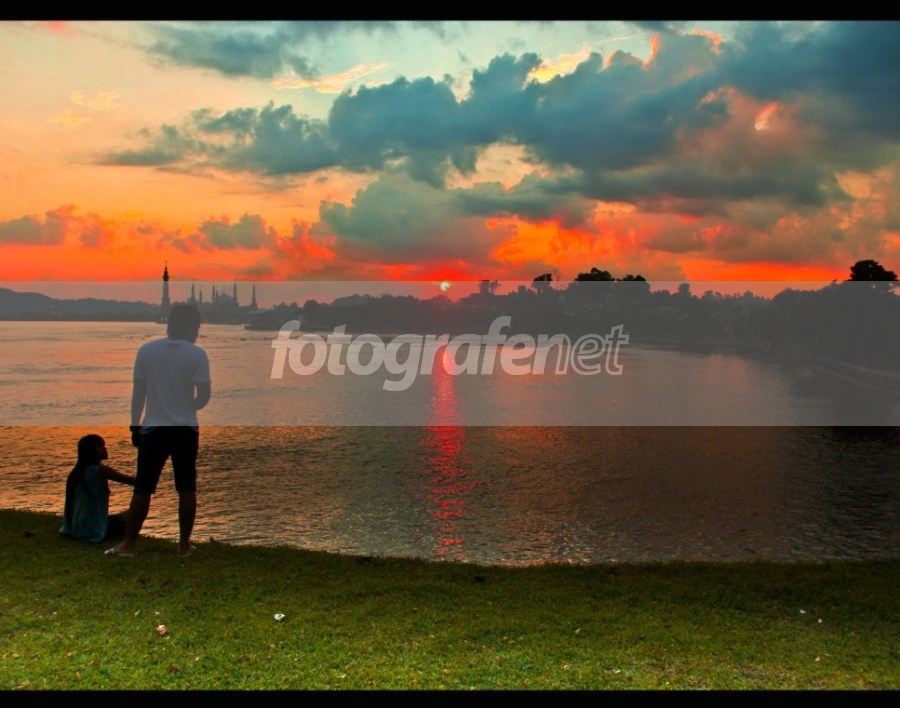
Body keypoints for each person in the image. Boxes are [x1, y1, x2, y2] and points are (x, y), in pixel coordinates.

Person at [106, 303, 211, 558]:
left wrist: (135, 426)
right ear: (188, 325)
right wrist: (189, 406)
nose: (197, 332)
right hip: (185, 429)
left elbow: (139, 394)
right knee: (186, 488)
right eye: (196, 327)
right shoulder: (197, 354)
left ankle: (128, 544)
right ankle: (183, 546)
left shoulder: (147, 350)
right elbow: (204, 396)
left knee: (143, 487)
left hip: (153, 429)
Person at [60, 434, 135, 544]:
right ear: (92, 450)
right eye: (101, 446)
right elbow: (131, 481)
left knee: (123, 516)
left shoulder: (76, 472)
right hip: (92, 529)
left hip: (76, 527)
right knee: (134, 513)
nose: (105, 449)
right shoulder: (100, 471)